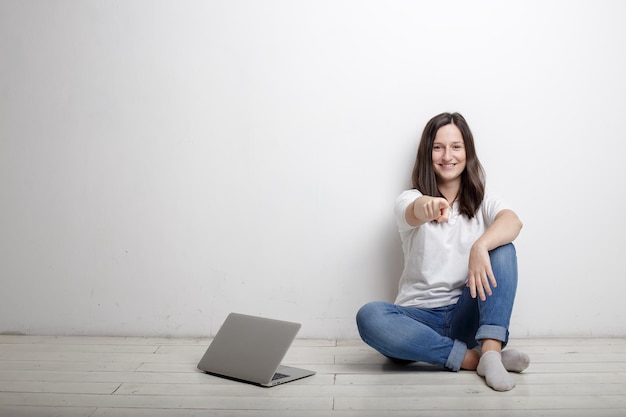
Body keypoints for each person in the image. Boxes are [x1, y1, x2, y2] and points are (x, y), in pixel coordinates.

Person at [356, 112, 529, 391]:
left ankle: (492, 349)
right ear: (428, 153)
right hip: (417, 323)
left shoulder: (483, 199)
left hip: (465, 314)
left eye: (456, 147)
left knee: (503, 248)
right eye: (438, 147)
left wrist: (480, 245)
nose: (447, 155)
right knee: (369, 316)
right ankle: (481, 359)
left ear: (467, 152)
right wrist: (428, 206)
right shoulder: (410, 198)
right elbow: (414, 210)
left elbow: (513, 221)